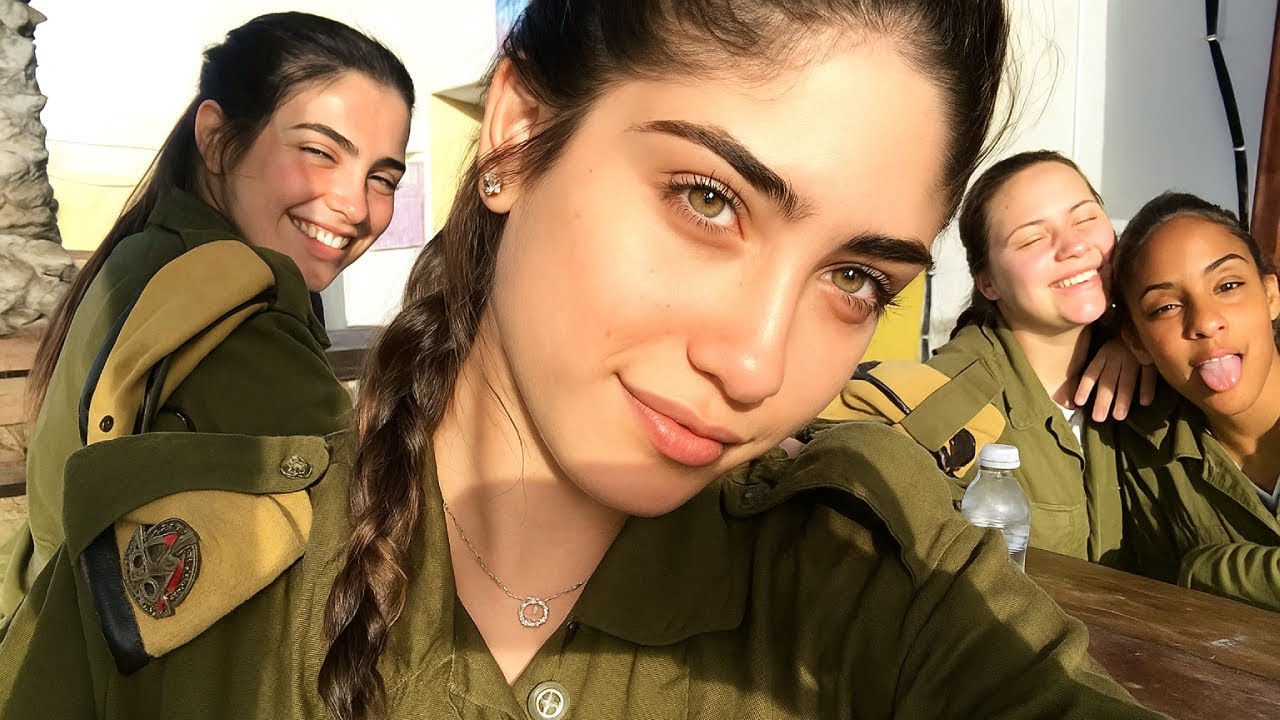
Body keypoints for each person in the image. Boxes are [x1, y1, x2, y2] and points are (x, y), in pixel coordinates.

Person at [1, 2, 1166, 718]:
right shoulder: (186, 594)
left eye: (855, 278)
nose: (756, 365)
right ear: (515, 134)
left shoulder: (862, 581)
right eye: (706, 198)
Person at [0, 12, 414, 627]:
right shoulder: (234, 314)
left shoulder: (145, 257)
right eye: (318, 152)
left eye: (382, 178)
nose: (355, 206)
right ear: (218, 139)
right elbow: (371, 538)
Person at [823, 150, 1152, 567]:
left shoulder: (1155, 365)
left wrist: (1139, 339)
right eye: (1032, 239)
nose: (1073, 246)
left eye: (1085, 218)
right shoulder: (953, 404)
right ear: (988, 282)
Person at [1112, 191, 1280, 612]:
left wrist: (1204, 569)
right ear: (1136, 342)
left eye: (1228, 286)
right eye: (1166, 307)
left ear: (1271, 295)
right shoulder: (1146, 456)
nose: (1204, 321)